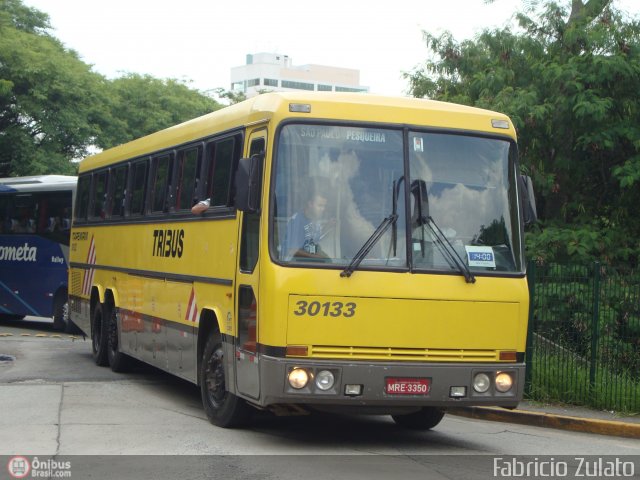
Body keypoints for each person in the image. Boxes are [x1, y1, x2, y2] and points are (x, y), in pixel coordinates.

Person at [283, 187, 331, 260]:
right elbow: (292, 250)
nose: (323, 209)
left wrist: (327, 226)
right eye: (320, 205)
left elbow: (313, 240)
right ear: (310, 204)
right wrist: (317, 257)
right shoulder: (296, 221)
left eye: (324, 206)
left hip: (309, 260)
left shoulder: (315, 220)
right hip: (295, 264)